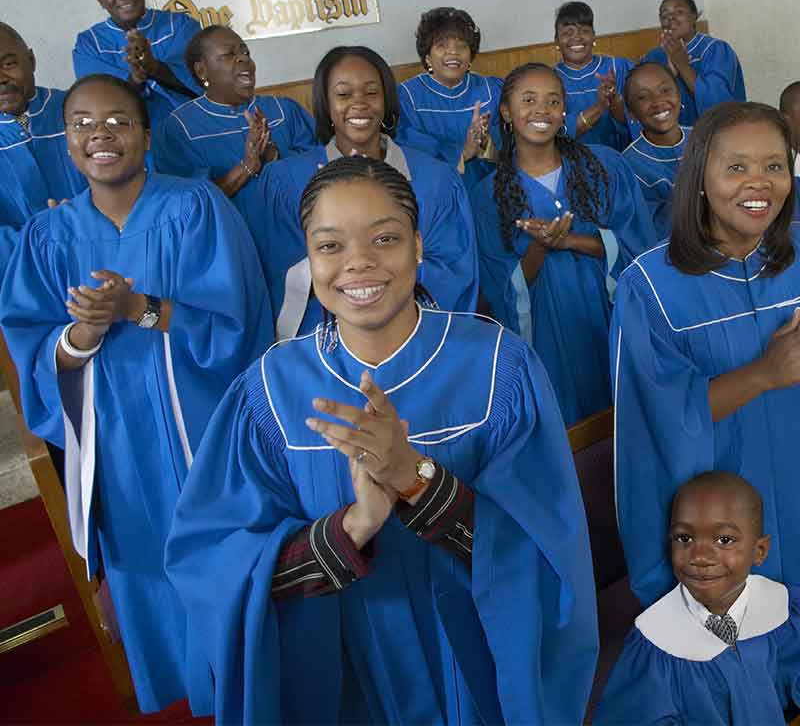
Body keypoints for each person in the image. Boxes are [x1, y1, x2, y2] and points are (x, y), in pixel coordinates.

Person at [165, 155, 599, 725]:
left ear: (419, 246)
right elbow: (216, 563)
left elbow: (543, 553)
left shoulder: (498, 367)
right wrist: (352, 528)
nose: (358, 263)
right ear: (308, 259)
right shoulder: (270, 391)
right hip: (340, 673)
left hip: (472, 663)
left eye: (385, 238)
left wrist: (417, 481)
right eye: (329, 246)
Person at [0, 74, 273, 713]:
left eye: (119, 121)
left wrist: (141, 308)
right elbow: (33, 351)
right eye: (83, 123)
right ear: (65, 141)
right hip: (114, 437)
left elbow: (240, 325)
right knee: (145, 563)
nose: (102, 134)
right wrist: (85, 331)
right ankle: (188, 691)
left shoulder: (197, 207)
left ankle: (250, 681)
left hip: (203, 424)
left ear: (146, 135)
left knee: (225, 551)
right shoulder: (47, 237)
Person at [612, 101, 800, 609]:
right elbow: (656, 421)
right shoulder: (651, 285)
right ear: (699, 176)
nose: (758, 182)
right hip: (722, 508)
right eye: (736, 167)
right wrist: (765, 373)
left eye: (774, 166)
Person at [472, 63, 656, 425]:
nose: (542, 109)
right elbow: (498, 286)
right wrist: (540, 247)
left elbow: (640, 246)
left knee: (630, 420)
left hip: (609, 317)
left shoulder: (604, 165)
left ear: (563, 112)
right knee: (572, 434)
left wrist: (573, 240)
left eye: (553, 101)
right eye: (528, 100)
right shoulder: (488, 196)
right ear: (506, 112)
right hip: (548, 334)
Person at [260, 46, 478, 339]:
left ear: (386, 100)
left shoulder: (436, 180)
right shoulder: (287, 182)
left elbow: (453, 272)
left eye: (371, 92)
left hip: (417, 340)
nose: (359, 103)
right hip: (324, 344)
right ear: (326, 103)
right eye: (344, 94)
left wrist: (371, 283)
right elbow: (282, 273)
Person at [595, 472, 800, 725]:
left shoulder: (783, 613)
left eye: (724, 540)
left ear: (759, 551)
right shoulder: (656, 645)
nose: (700, 557)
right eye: (684, 538)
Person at [153, 25, 317, 226]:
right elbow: (188, 206)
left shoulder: (283, 110)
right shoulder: (179, 129)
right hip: (232, 241)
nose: (243, 59)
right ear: (201, 70)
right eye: (229, 54)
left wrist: (274, 156)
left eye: (245, 52)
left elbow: (320, 169)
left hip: (299, 229)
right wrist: (247, 166)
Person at [73, 0, 201, 127]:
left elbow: (206, 82)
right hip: (134, 142)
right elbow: (98, 103)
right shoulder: (89, 45)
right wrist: (134, 80)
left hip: (193, 128)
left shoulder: (180, 26)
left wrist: (155, 68)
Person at [0, 23, 85, 272]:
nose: (1, 78)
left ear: (31, 60)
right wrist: (44, 237)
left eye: (8, 64)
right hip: (23, 279)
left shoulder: (81, 111)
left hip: (109, 259)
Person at [396, 7, 503, 189]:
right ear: (428, 57)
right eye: (442, 45)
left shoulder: (492, 90)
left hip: (490, 188)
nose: (453, 52)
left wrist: (485, 143)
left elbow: (511, 143)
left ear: (471, 55)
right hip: (437, 191)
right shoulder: (407, 97)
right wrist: (462, 152)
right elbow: (410, 149)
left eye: (461, 45)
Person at [641, 0, 746, 128]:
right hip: (672, 139)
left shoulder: (716, 50)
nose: (671, 18)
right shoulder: (652, 58)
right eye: (664, 15)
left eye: (679, 12)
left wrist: (682, 65)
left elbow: (717, 105)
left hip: (715, 134)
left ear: (694, 16)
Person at [622, 62, 691, 238]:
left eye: (665, 90)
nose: (658, 101)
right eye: (643, 97)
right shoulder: (628, 167)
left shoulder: (707, 140)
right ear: (631, 113)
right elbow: (646, 228)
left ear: (679, 95)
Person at [553, 1, 632, 152]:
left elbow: (636, 122)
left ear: (594, 36)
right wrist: (600, 107)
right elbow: (557, 133)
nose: (576, 37)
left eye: (584, 30)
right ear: (556, 41)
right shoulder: (549, 79)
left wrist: (614, 100)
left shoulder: (619, 68)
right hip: (572, 165)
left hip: (619, 159)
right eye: (567, 32)